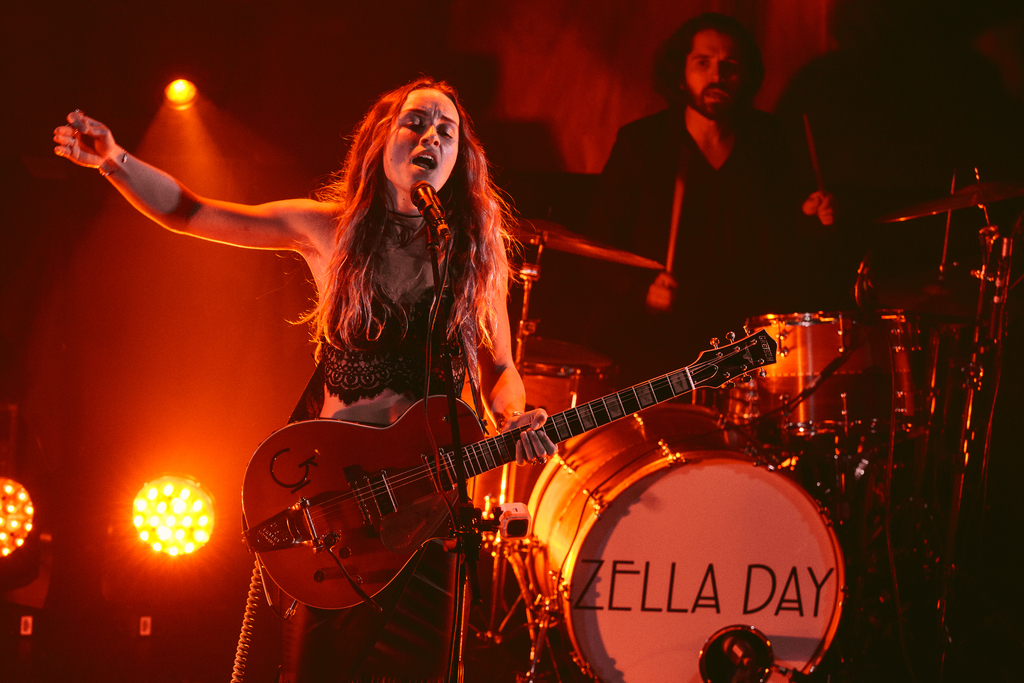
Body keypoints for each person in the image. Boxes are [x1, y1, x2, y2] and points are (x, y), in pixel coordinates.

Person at [53, 77, 557, 682]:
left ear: (461, 161)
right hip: (335, 516)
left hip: (426, 513)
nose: (431, 138)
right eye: (415, 122)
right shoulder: (330, 230)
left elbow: (498, 367)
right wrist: (114, 159)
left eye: (446, 132)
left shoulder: (472, 253)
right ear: (381, 140)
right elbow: (192, 213)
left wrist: (513, 416)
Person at [589, 12, 835, 387]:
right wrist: (641, 290)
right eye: (703, 63)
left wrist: (808, 216)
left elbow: (792, 249)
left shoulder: (768, 140)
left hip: (750, 340)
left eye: (729, 66)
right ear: (681, 72)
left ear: (745, 76)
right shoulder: (642, 143)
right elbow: (598, 241)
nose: (717, 76)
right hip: (661, 339)